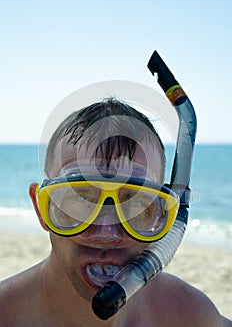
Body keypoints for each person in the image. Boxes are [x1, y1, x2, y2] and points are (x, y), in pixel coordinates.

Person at [0, 97, 231, 327]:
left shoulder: (190, 316)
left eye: (136, 205)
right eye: (81, 201)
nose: (107, 234)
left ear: (162, 216)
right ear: (41, 207)